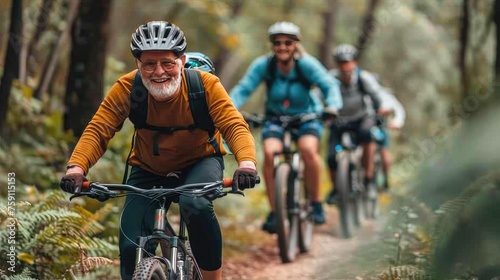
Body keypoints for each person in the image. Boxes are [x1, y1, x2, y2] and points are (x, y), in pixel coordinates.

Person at [59, 21, 258, 280]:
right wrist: (76, 168)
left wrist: (247, 164)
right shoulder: (128, 88)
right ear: (138, 66)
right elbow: (100, 128)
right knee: (131, 244)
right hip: (148, 167)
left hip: (200, 161)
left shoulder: (205, 85)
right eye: (149, 64)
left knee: (195, 205)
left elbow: (234, 125)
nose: (158, 71)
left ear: (182, 61)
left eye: (167, 62)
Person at [230, 21, 343, 233]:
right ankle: (275, 211)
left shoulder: (306, 64)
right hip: (275, 119)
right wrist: (227, 109)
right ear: (272, 45)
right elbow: (243, 89)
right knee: (270, 154)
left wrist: (333, 107)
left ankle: (316, 203)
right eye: (278, 43)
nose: (283, 47)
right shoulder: (264, 65)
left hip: (307, 117)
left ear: (296, 44)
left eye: (288, 42)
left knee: (308, 149)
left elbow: (329, 85)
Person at [325, 43, 384, 204]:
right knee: (331, 156)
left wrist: (378, 112)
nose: (345, 66)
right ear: (337, 64)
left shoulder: (363, 78)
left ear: (355, 62)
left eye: (348, 62)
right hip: (339, 121)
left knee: (367, 136)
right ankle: (336, 189)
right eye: (341, 62)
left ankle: (369, 179)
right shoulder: (331, 78)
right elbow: (319, 93)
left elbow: (376, 96)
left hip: (362, 118)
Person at [370, 87, 406, 190]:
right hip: (365, 125)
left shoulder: (385, 94)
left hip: (381, 126)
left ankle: (385, 179)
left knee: (383, 150)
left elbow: (398, 109)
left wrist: (397, 122)